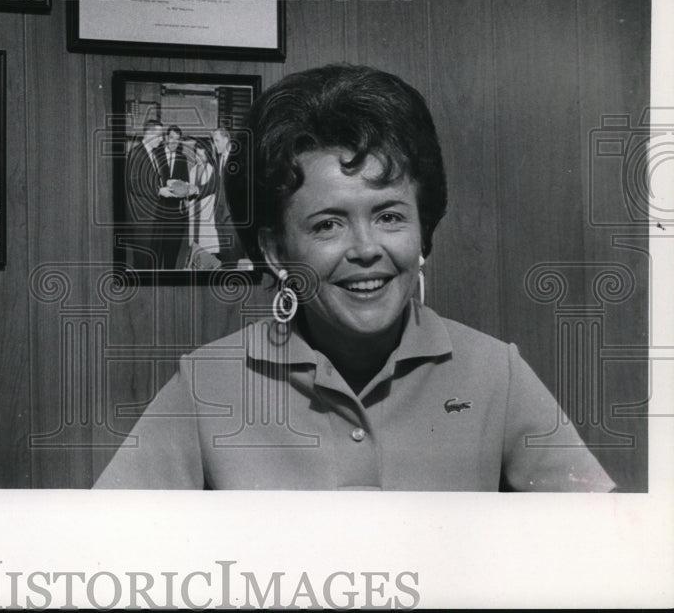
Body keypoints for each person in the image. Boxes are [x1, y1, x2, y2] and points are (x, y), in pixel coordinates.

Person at [95, 64, 615, 491]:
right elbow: (99, 557)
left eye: (389, 215)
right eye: (328, 224)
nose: (367, 249)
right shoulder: (204, 384)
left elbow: (606, 551)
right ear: (276, 251)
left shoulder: (496, 373)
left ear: (422, 227)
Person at [124, 118, 165, 269]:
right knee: (142, 260)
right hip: (142, 217)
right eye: (159, 135)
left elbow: (150, 180)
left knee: (150, 258)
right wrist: (159, 190)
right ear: (148, 134)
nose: (162, 139)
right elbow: (133, 183)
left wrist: (165, 186)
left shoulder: (153, 154)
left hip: (153, 214)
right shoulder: (136, 153)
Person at [156, 124, 191, 269]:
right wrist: (165, 184)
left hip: (176, 214)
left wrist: (179, 186)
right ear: (165, 138)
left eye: (177, 140)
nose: (173, 142)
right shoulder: (156, 154)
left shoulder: (182, 159)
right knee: (156, 253)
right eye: (171, 138)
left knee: (172, 252)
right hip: (157, 210)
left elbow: (185, 186)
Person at [210, 127, 245, 267]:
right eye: (214, 141)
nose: (215, 144)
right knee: (225, 257)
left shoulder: (238, 160)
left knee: (234, 256)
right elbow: (215, 185)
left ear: (226, 140)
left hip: (231, 219)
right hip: (219, 216)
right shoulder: (220, 159)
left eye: (217, 141)